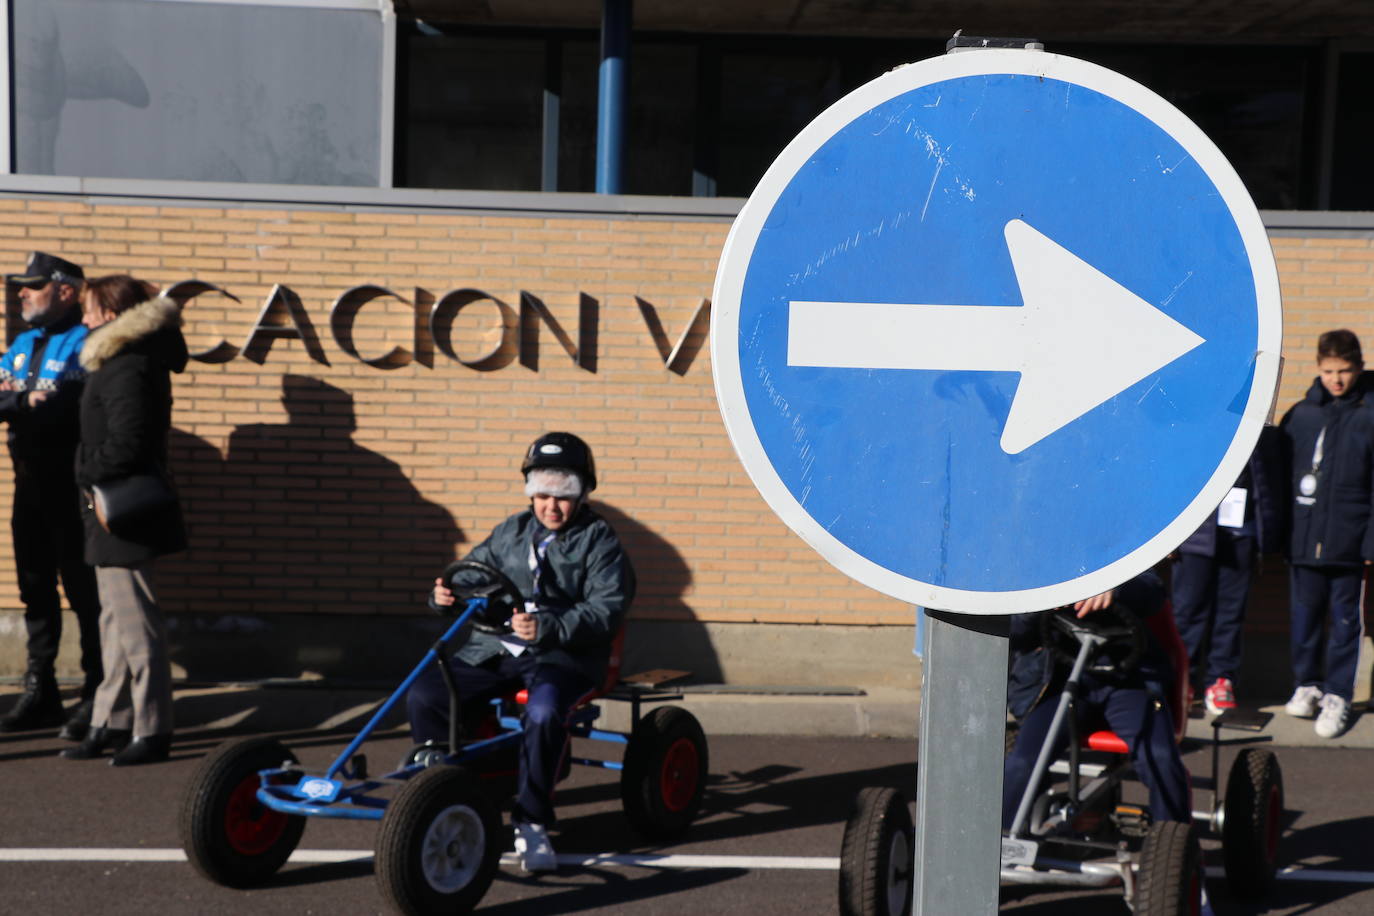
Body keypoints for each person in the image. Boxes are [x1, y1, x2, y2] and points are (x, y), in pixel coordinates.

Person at [406, 432, 634, 873]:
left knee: (546, 712)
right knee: (427, 694)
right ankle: (445, 793)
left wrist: (549, 626)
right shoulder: (511, 531)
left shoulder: (600, 540)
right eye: (542, 494)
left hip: (564, 654)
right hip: (495, 647)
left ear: (583, 492)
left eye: (563, 495)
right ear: (530, 492)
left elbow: (607, 609)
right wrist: (444, 595)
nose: (552, 506)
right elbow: (471, 574)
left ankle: (531, 820)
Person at [59, 276, 187, 766]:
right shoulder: (121, 362)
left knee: (137, 627)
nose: (85, 319)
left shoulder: (130, 366)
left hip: (123, 514)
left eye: (91, 310)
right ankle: (108, 722)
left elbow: (130, 442)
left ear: (112, 314)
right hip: (106, 511)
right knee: (113, 623)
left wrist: (82, 469)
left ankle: (153, 729)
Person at [0, 251, 103, 740]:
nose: (21, 292)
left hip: (73, 487)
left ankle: (96, 693)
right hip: (29, 485)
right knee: (35, 589)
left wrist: (21, 402)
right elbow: (25, 401)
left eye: (33, 285)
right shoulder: (22, 342)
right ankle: (40, 692)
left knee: (85, 593)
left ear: (65, 290)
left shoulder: (88, 339)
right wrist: (23, 401)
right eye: (20, 284)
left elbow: (71, 409)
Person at [1003, 571, 1191, 831]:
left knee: (1160, 758)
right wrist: (1040, 604)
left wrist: (1116, 588)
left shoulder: (1120, 552)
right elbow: (1014, 630)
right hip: (1063, 684)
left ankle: (1176, 842)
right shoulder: (1038, 566)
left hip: (1129, 683)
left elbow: (1153, 588)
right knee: (1022, 763)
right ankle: (999, 840)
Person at [1279, 328, 1374, 739]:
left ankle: (1338, 695)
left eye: (1345, 371)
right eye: (1329, 370)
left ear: (1359, 368)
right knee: (1303, 620)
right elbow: (1280, 480)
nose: (1337, 379)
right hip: (1303, 543)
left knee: (1344, 623)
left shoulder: (1369, 417)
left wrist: (1369, 544)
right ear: (1318, 368)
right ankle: (1307, 685)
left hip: (1349, 546)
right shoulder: (1301, 415)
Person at [1170, 426, 1284, 716]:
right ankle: (1182, 681)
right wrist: (1168, 537)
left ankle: (1221, 680)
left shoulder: (1259, 427)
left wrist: (1267, 534)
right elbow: (1171, 479)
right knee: (1188, 612)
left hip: (1241, 534)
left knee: (1231, 613)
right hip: (1194, 536)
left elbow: (1268, 482)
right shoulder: (1193, 426)